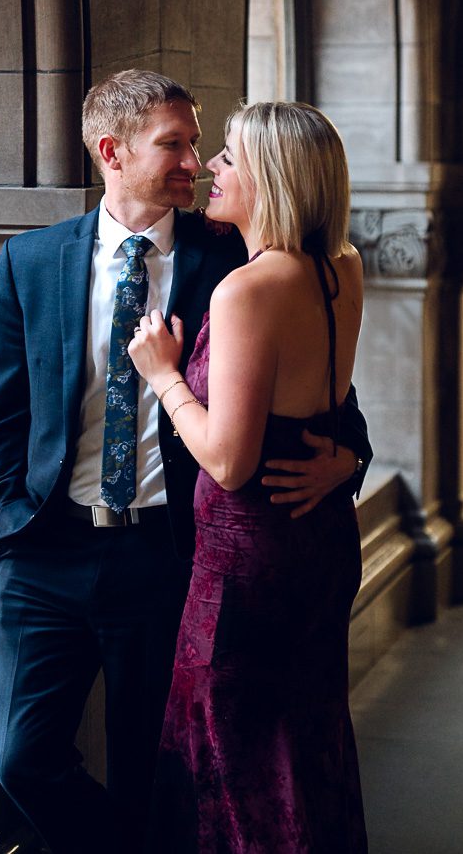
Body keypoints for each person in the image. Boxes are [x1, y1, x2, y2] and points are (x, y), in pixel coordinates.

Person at [0, 72, 371, 854]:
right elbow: (2, 411)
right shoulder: (32, 259)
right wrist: (4, 524)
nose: (195, 161)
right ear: (111, 151)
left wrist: (349, 455)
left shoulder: (235, 256)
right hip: (46, 552)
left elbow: (318, 383)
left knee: (155, 776)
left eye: (202, 144)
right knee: (23, 760)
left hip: (170, 558)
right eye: (176, 144)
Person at [129, 100, 368, 853]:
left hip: (247, 570)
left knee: (239, 771)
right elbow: (323, 403)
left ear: (271, 176)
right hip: (319, 546)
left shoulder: (248, 290)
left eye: (228, 156)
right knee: (304, 748)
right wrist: (350, 458)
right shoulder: (342, 268)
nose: (212, 170)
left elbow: (230, 461)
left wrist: (166, 377)